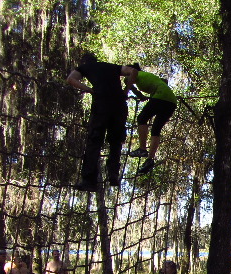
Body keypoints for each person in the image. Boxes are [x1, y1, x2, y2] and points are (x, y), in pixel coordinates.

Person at [66, 52, 135, 190]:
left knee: (94, 140)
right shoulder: (110, 66)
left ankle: (89, 180)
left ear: (84, 62)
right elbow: (132, 71)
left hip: (101, 105)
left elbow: (71, 79)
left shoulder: (84, 68)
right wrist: (126, 91)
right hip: (119, 105)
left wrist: (90, 90)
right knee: (116, 141)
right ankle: (113, 174)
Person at [125, 63, 178, 175]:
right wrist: (141, 96)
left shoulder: (136, 74)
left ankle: (143, 149)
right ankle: (150, 159)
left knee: (142, 118)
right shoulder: (146, 76)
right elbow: (164, 81)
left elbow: (129, 82)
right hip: (171, 101)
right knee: (156, 129)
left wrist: (125, 91)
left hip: (160, 97)